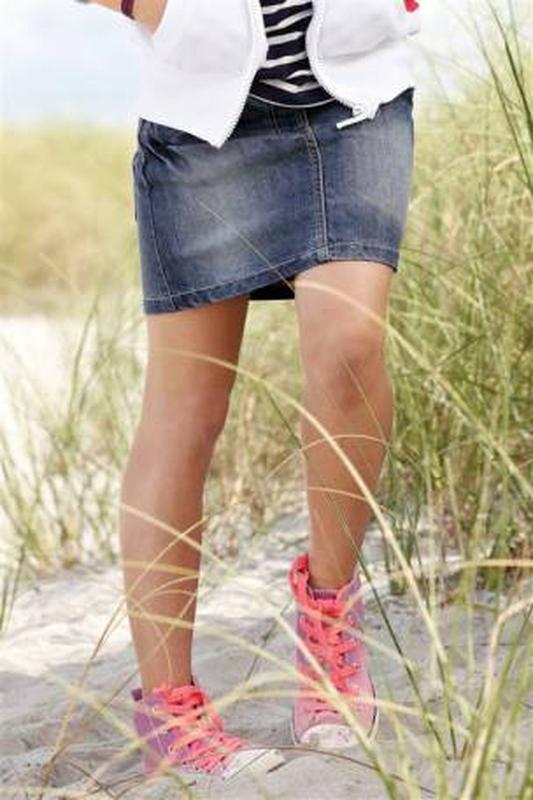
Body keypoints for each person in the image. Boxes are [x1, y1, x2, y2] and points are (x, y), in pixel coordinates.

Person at [81, 0, 421, 783]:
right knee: (186, 412)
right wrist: (154, 10)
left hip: (354, 100)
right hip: (199, 119)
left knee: (350, 345)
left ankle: (329, 622)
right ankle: (169, 709)